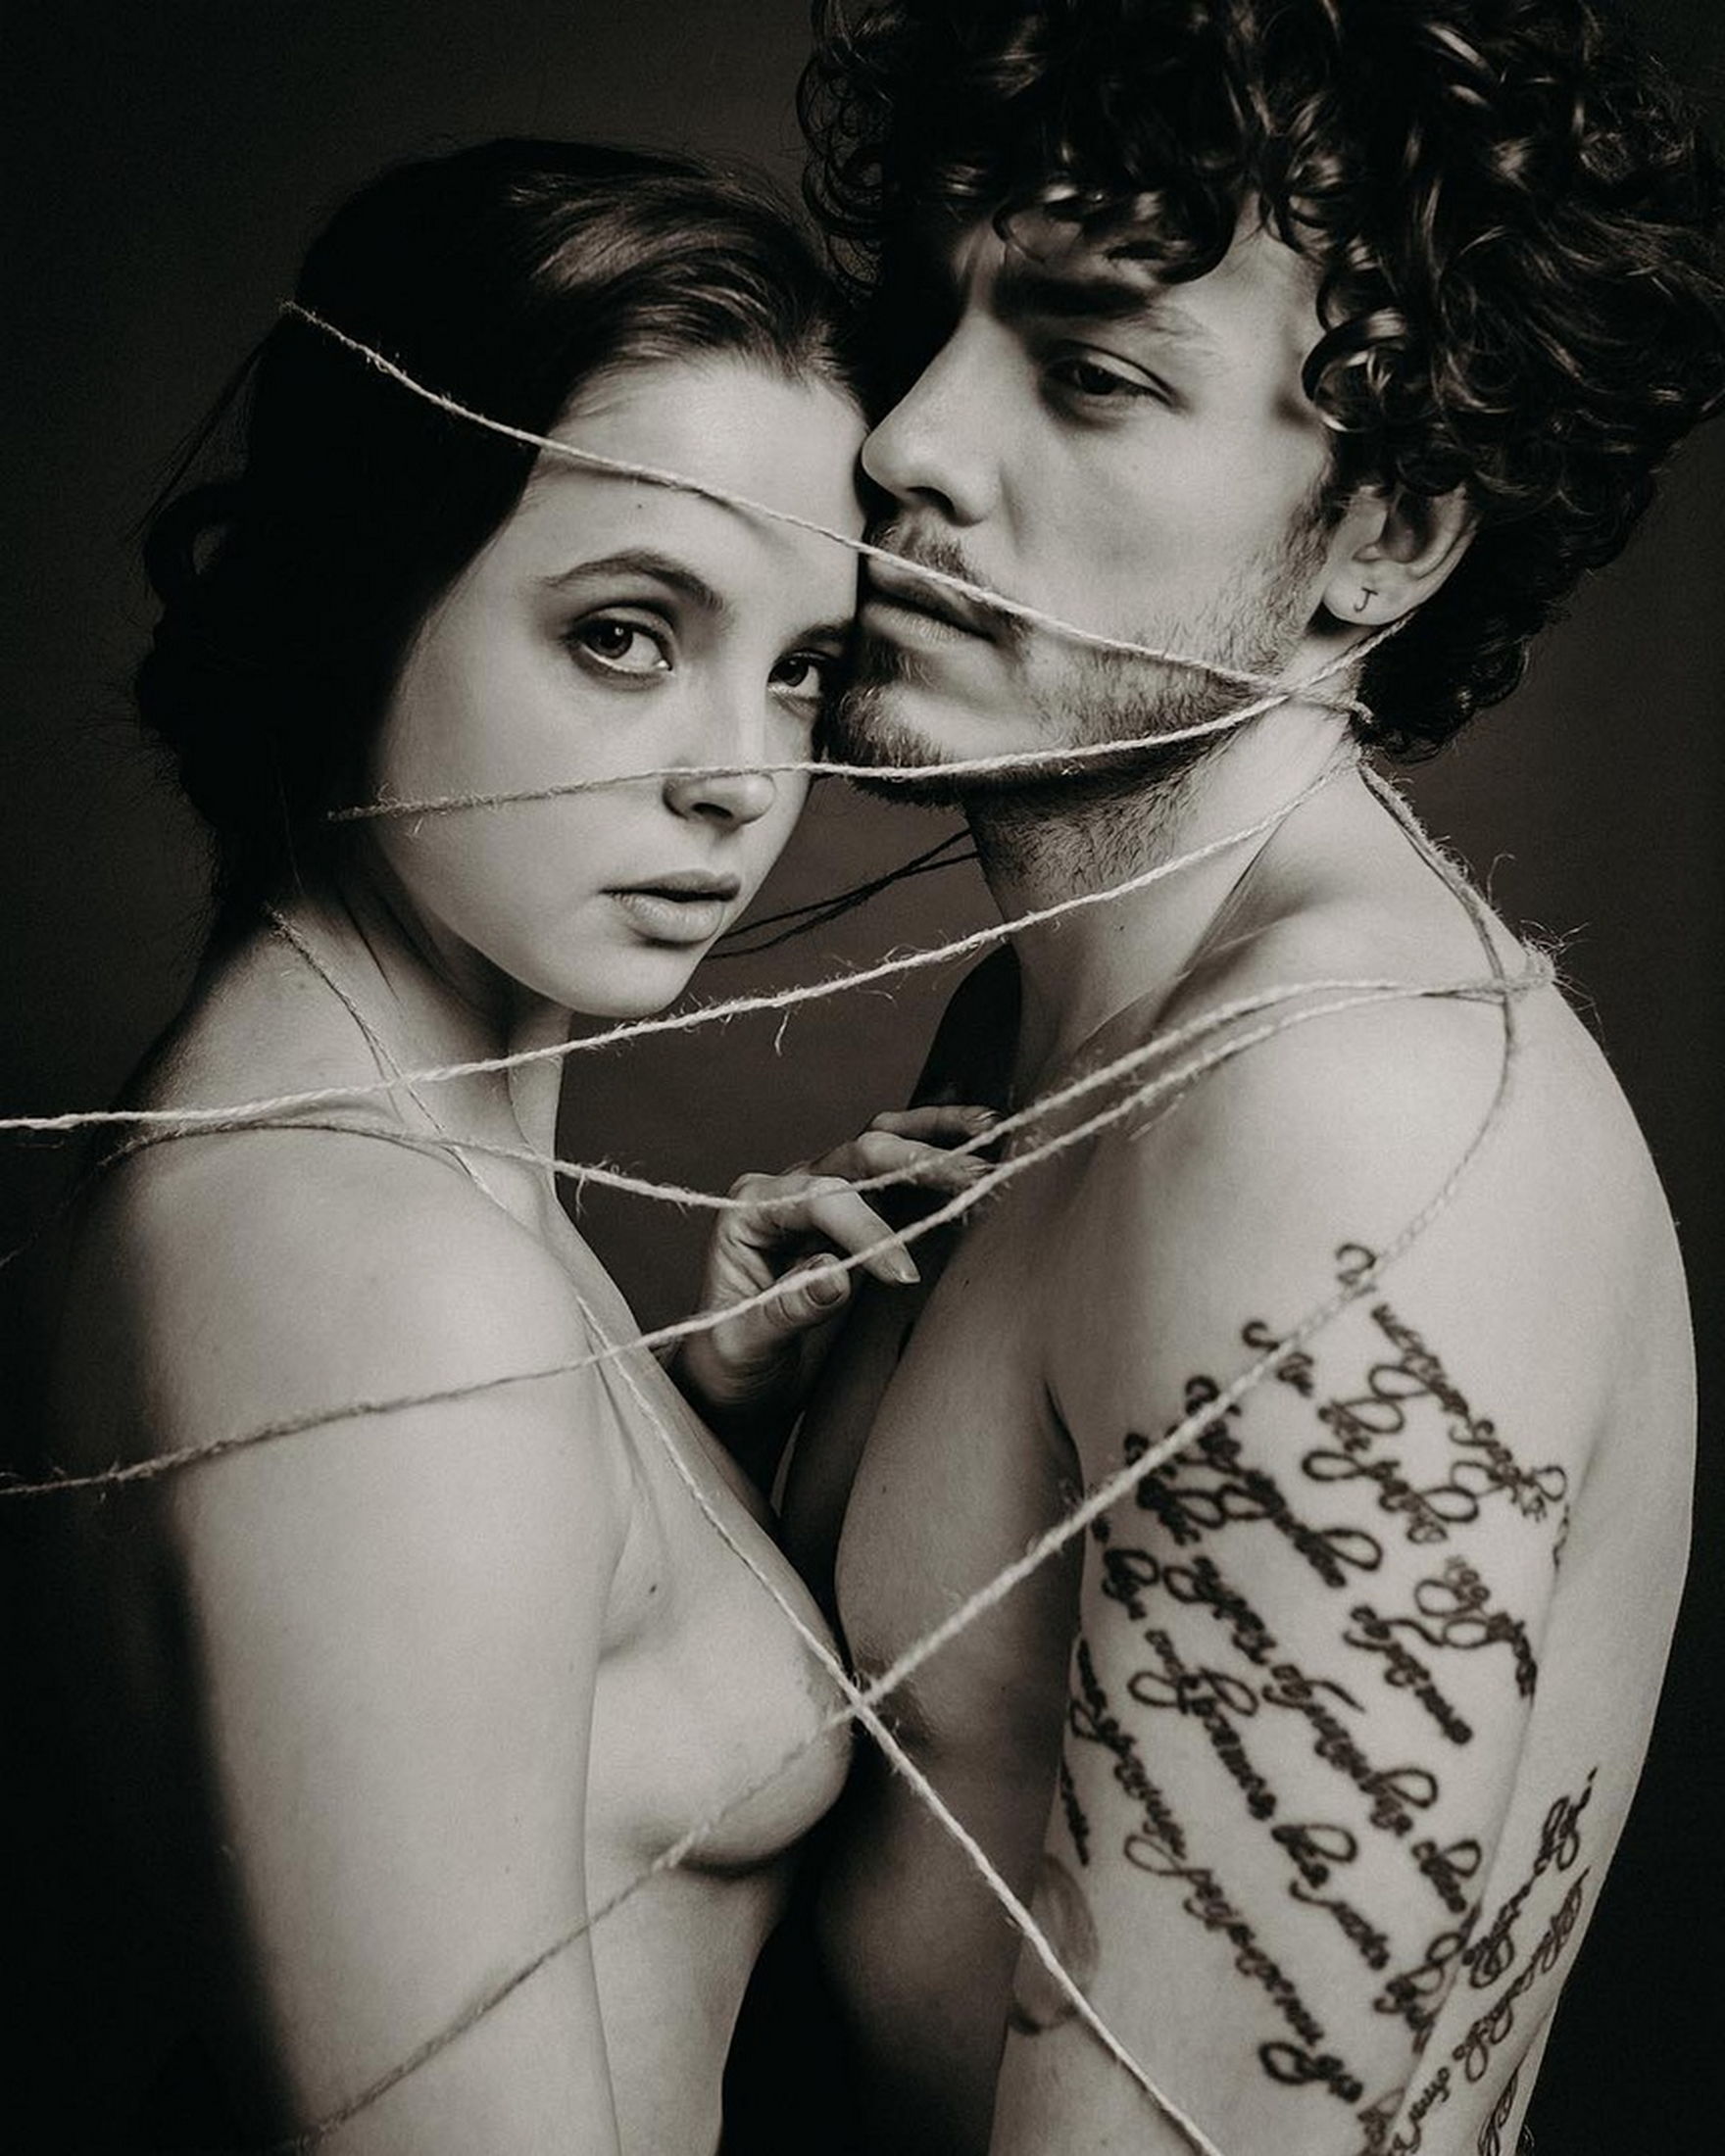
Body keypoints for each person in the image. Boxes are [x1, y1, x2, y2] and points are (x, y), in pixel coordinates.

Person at [776, 4, 1725, 2152]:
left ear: (1389, 532)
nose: (905, 442)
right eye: (931, 324)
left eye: (1092, 371)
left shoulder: (1346, 1121)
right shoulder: (1042, 1021)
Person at [38, 138, 985, 2155]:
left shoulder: (420, 1191)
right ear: (364, 586)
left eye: (801, 664)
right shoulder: (372, 1277)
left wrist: (702, 1433)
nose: (742, 778)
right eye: (625, 632)